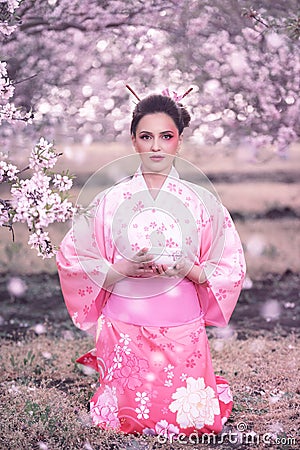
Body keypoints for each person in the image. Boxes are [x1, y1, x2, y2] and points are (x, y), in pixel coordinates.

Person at [56, 89, 246, 438]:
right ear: (133, 141)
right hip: (124, 328)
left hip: (181, 327)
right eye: (146, 137)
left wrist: (188, 268)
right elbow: (72, 259)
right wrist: (120, 270)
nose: (156, 146)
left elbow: (229, 268)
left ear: (179, 141)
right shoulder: (109, 201)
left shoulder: (203, 202)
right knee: (121, 419)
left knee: (191, 421)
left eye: (166, 137)